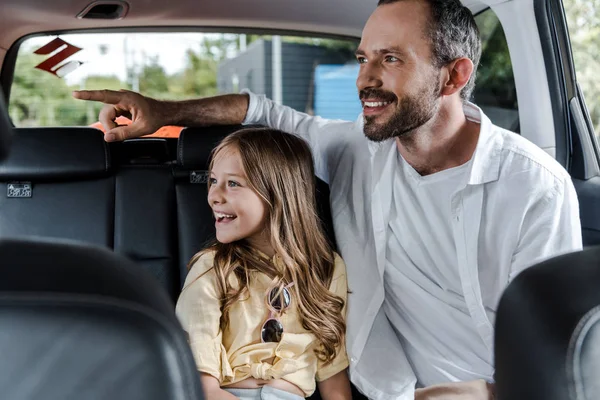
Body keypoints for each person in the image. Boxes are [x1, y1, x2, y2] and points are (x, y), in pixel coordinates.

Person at [73, 0, 583, 398]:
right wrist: (164, 109)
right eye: (363, 58)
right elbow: (264, 110)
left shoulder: (535, 187)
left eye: (391, 59)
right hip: (381, 386)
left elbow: (557, 346)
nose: (366, 78)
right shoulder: (354, 149)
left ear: (454, 76)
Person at [175, 127, 352, 400]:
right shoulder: (212, 268)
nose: (213, 196)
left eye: (233, 183)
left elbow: (333, 372)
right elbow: (201, 380)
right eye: (212, 181)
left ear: (278, 194)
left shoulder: (326, 268)